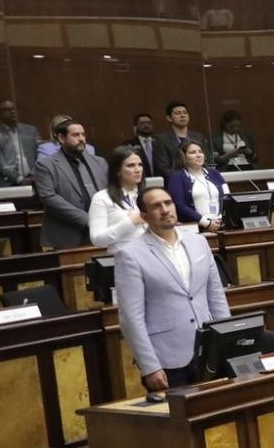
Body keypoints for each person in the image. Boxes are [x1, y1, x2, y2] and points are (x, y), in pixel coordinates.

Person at [118, 187, 232, 392]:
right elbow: (130, 317)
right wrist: (149, 366)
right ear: (144, 216)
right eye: (156, 206)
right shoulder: (130, 254)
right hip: (168, 357)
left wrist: (227, 342)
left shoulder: (199, 242)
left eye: (168, 203)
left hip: (210, 351)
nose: (165, 210)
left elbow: (215, 296)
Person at [32, 118, 107, 249]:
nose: (82, 139)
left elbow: (109, 191)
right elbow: (48, 197)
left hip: (102, 232)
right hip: (67, 235)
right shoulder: (45, 165)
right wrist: (87, 220)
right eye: (75, 135)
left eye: (83, 134)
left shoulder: (100, 162)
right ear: (61, 138)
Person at [88, 147, 151, 250]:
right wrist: (130, 222)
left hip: (152, 255)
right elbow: (97, 239)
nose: (138, 170)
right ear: (117, 171)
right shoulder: (102, 198)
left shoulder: (148, 195)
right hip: (123, 258)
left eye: (140, 165)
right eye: (131, 165)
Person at [165, 140, 229, 233]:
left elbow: (227, 196)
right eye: (192, 152)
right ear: (183, 156)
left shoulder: (214, 173)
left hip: (220, 225)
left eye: (200, 151)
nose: (198, 155)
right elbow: (179, 205)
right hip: (195, 229)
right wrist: (206, 223)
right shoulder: (177, 176)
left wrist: (222, 219)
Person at [0, 98, 41, 187]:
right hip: (7, 183)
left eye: (13, 109)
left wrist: (35, 175)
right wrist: (20, 179)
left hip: (33, 181)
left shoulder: (30, 130)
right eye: (6, 110)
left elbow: (39, 154)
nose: (12, 112)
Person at [125, 112, 171, 178]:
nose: (146, 125)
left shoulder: (162, 142)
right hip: (140, 181)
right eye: (142, 123)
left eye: (149, 123)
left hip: (162, 180)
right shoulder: (129, 144)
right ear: (136, 126)